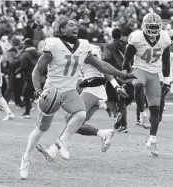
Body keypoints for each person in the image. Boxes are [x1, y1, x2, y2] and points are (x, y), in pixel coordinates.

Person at [19, 20, 136, 180]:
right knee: (42, 128)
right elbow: (37, 70)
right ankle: (26, 159)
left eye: (75, 25)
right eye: (70, 25)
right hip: (52, 91)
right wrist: (38, 89)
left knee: (80, 114)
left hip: (68, 91)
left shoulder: (83, 46)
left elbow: (102, 65)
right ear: (61, 29)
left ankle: (62, 141)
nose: (75, 27)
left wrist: (121, 75)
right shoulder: (53, 45)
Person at [37, 41, 128, 160]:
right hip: (91, 89)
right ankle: (103, 133)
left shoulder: (86, 48)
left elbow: (102, 67)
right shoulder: (75, 52)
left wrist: (116, 86)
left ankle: (55, 149)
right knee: (76, 125)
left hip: (93, 88)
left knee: (71, 120)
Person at [122, 12, 171, 156]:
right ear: (145, 26)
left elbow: (167, 61)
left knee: (156, 109)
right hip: (140, 68)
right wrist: (125, 77)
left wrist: (167, 80)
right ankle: (142, 114)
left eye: (156, 27)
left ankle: (152, 140)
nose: (154, 30)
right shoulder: (136, 37)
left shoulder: (165, 37)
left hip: (155, 73)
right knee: (137, 85)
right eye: (151, 27)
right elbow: (126, 60)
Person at [103, 27, 133, 133]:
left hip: (113, 75)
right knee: (122, 101)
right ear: (121, 35)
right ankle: (123, 125)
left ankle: (116, 114)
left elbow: (105, 58)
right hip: (126, 76)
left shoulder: (109, 46)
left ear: (112, 35)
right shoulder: (128, 46)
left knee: (110, 99)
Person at [16, 38, 41, 118]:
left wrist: (17, 71)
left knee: (26, 94)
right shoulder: (40, 54)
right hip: (40, 77)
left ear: (26, 45)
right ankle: (30, 110)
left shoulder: (25, 54)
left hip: (30, 77)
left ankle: (28, 112)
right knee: (38, 95)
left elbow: (24, 66)